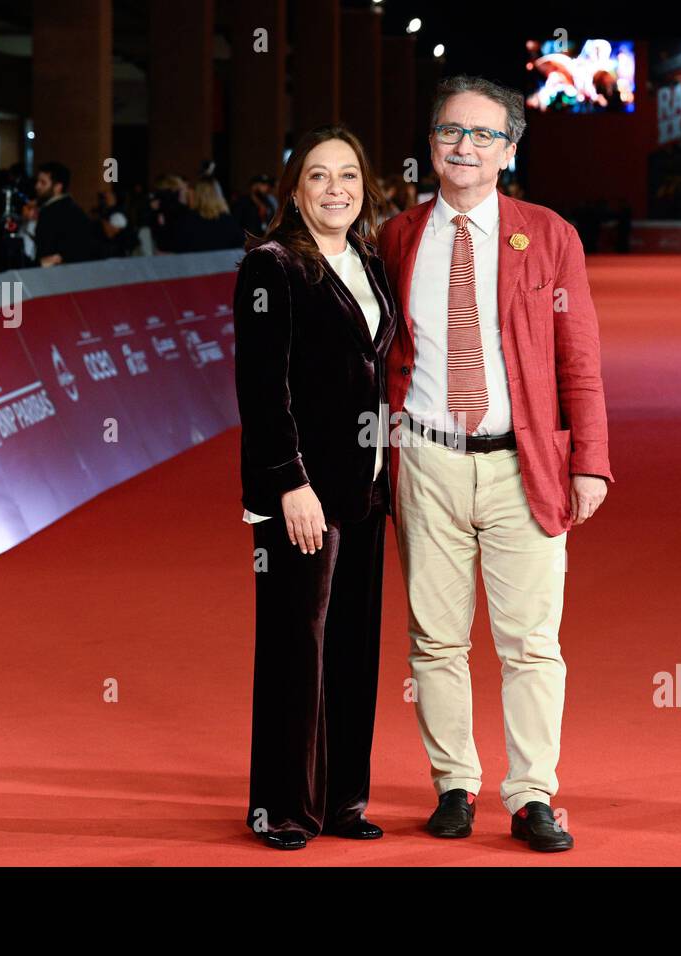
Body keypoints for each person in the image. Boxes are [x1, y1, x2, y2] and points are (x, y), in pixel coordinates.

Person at [377, 75, 612, 852]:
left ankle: (532, 794)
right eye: (450, 131)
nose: (464, 147)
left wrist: (591, 460)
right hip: (427, 463)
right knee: (436, 641)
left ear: (510, 149)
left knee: (531, 642)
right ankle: (454, 786)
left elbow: (579, 358)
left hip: (524, 466)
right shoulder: (399, 236)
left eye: (483, 135)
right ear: (431, 143)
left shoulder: (549, 236)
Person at [233, 125, 396, 850]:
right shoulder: (270, 266)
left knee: (354, 646)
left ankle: (341, 802)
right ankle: (282, 807)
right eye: (320, 177)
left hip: (363, 487)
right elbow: (262, 391)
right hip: (303, 491)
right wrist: (289, 483)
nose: (337, 190)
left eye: (349, 177)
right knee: (296, 646)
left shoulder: (368, 260)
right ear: (294, 189)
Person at [32, 161, 103, 266]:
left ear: (58, 187)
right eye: (38, 181)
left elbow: (47, 252)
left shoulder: (52, 212)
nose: (37, 186)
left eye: (43, 183)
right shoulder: (72, 207)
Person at [188, 174, 244, 251]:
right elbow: (241, 247)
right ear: (219, 195)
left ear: (196, 194)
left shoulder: (188, 221)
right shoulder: (228, 222)